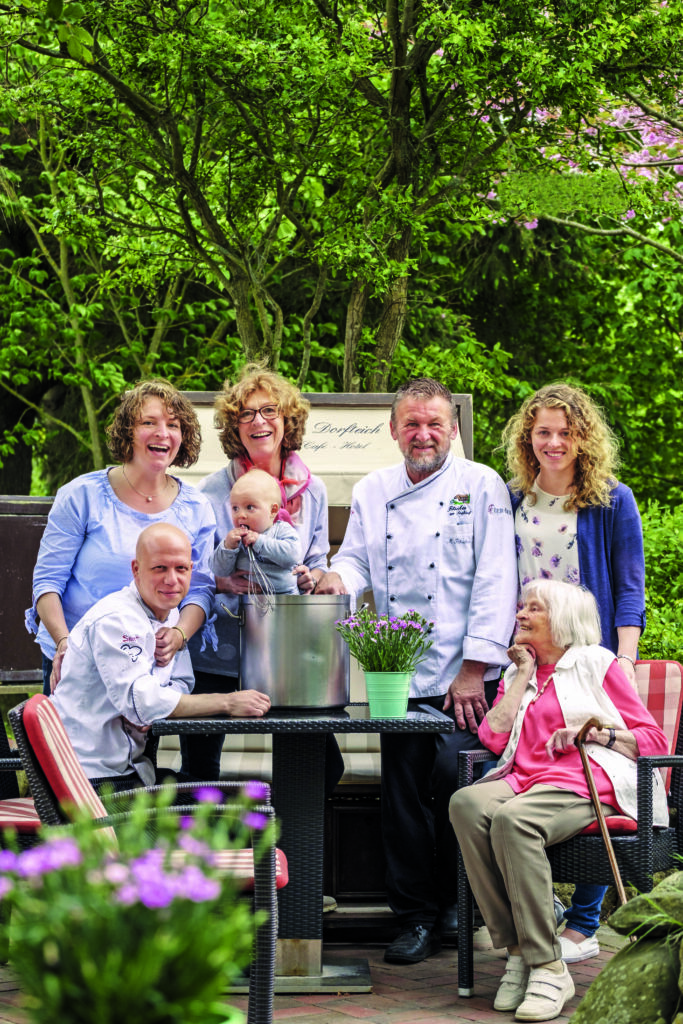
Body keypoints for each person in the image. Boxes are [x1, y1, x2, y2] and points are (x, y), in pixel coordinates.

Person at [316, 377, 518, 964]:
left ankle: (461, 907)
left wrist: (473, 668)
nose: (423, 434)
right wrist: (337, 581)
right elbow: (354, 559)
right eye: (412, 423)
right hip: (396, 673)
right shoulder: (374, 489)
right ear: (394, 429)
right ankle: (414, 919)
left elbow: (495, 579)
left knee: (456, 786)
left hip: (467, 678)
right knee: (402, 797)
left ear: (453, 428)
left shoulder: (482, 486)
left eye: (434, 423)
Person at [449, 580, 667, 1022]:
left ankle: (548, 967)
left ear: (562, 621)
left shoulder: (594, 662)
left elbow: (653, 739)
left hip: (590, 782)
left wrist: (595, 733)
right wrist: (523, 677)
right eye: (521, 606)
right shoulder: (518, 672)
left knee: (513, 821)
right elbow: (492, 737)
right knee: (465, 804)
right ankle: (518, 950)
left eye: (534, 609)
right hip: (525, 779)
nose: (521, 614)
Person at [503, 382, 646, 963]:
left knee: (591, 768)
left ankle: (584, 924)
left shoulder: (612, 500)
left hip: (591, 659)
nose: (555, 442)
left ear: (584, 436)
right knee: (527, 772)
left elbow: (630, 589)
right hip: (530, 659)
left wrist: (625, 664)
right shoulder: (513, 500)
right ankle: (544, 913)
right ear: (527, 437)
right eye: (543, 432)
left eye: (566, 432)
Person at [186, 364, 343, 791]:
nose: (259, 422)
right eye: (246, 414)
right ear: (234, 428)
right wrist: (223, 583)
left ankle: (292, 847)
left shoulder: (312, 490)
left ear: (286, 420)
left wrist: (313, 575)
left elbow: (316, 557)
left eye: (269, 411)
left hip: (286, 646)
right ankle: (209, 850)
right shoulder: (211, 492)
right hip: (220, 646)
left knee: (323, 767)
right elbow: (195, 569)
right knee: (200, 766)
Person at [27, 379, 216, 695]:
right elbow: (47, 582)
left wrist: (179, 635)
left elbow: (201, 590)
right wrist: (64, 643)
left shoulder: (197, 508)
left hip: (148, 664)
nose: (162, 433)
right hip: (76, 658)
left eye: (173, 425)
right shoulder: (81, 496)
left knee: (139, 747)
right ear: (128, 430)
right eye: (149, 422)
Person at [52, 524, 271, 792]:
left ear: (191, 569)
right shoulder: (117, 619)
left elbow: (181, 680)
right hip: (89, 781)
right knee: (224, 808)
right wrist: (227, 702)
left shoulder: (170, 614)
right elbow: (141, 703)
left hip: (130, 771)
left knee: (219, 797)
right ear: (136, 569)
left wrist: (153, 708)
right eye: (159, 568)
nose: (172, 580)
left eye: (181, 569)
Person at [210, 468, 302, 595]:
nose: (240, 515)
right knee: (219, 604)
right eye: (235, 508)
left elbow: (293, 555)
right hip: (244, 602)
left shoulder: (281, 530)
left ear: (273, 510)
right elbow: (218, 570)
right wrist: (227, 547)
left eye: (249, 507)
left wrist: (260, 542)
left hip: (282, 600)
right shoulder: (235, 540)